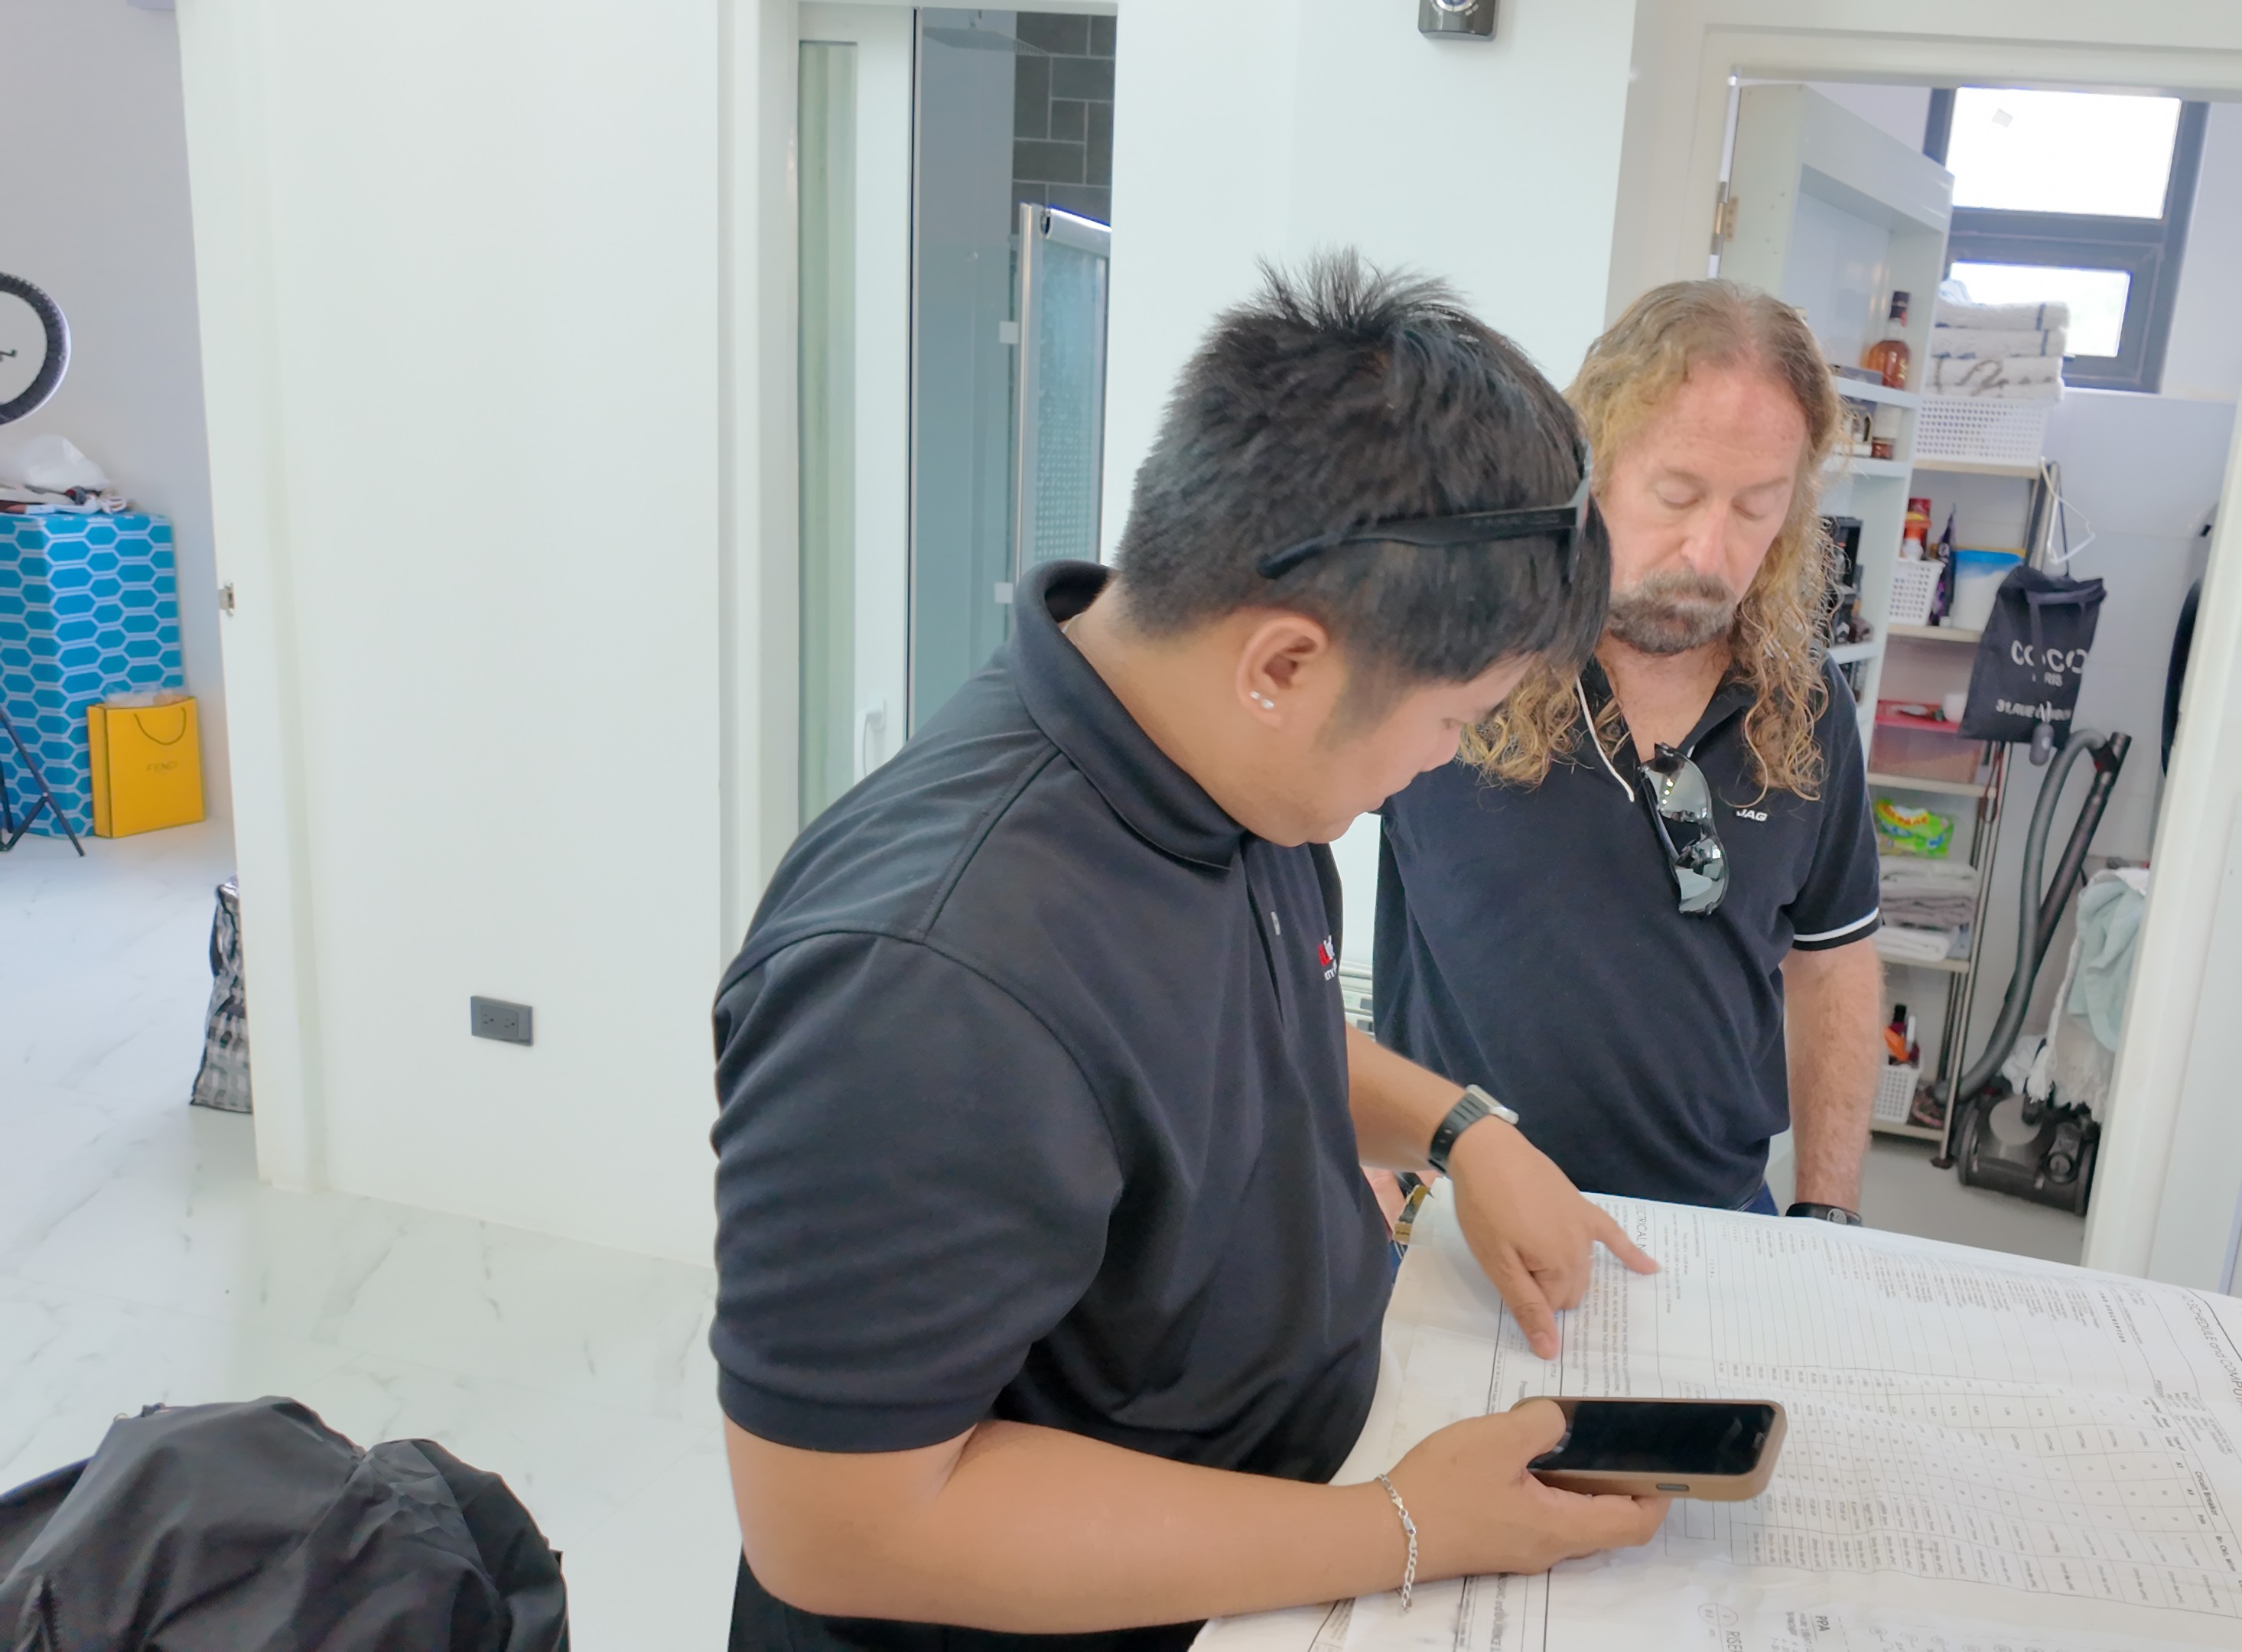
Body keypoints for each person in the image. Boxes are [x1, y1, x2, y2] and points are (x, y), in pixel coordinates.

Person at [708, 256, 1666, 1650]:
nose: (1436, 765)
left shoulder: (1213, 764)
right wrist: (1407, 1528)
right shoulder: (926, 982)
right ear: (1283, 665)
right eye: (1455, 722)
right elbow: (838, 1526)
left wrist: (1463, 1132)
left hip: (1283, 1497)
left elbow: (1223, 1049)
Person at [1374, 279, 1885, 1222]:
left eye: (1757, 507)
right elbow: (1257, 851)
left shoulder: (1806, 704)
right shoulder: (1457, 654)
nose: (1710, 554)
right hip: (1458, 1218)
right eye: (1676, 495)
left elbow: (1834, 961)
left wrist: (1828, 1214)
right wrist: (1346, 1132)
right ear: (1591, 465)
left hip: (1717, 1226)